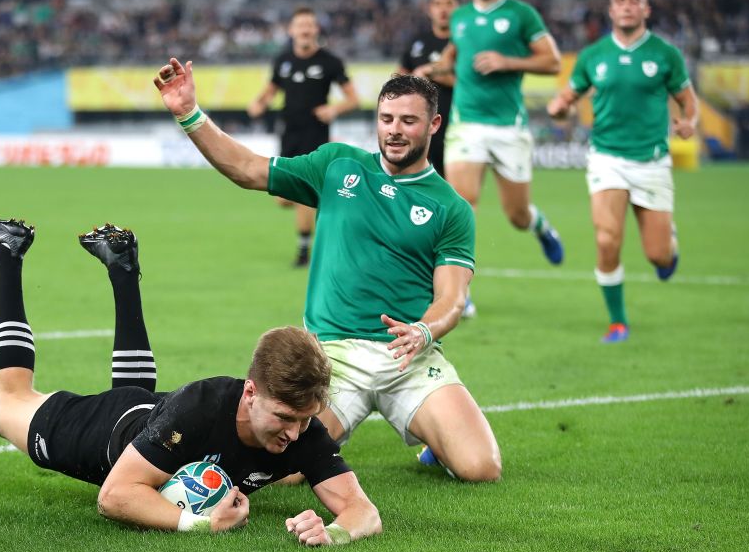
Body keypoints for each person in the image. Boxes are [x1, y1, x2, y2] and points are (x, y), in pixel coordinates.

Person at [155, 59, 501, 481]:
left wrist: (424, 332)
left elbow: (452, 298)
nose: (394, 129)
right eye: (386, 118)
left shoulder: (451, 207)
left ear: (433, 124)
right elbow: (248, 169)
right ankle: (428, 430)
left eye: (408, 121)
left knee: (481, 468)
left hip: (408, 356)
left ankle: (436, 438)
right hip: (332, 356)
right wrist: (189, 113)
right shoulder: (337, 164)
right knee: (285, 474)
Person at [0, 214, 381, 544]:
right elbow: (113, 497)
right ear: (251, 392)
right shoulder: (203, 405)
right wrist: (201, 525)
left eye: (304, 419)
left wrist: (332, 533)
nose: (294, 432)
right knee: (7, 405)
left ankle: (122, 266)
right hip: (102, 432)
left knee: (150, 420)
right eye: (284, 417)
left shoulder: (302, 427)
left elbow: (364, 512)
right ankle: (7, 250)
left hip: (150, 414)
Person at [546, 0, 697, 343]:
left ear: (646, 10)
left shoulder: (665, 54)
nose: (627, 5)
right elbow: (568, 96)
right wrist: (559, 106)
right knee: (607, 239)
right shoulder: (593, 56)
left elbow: (687, 98)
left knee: (659, 257)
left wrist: (689, 121)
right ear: (611, 10)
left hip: (652, 160)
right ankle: (617, 322)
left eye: (634, 0)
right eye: (621, 0)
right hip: (606, 158)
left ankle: (669, 245)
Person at [433, 0, 565, 316]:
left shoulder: (522, 14)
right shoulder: (460, 18)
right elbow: (451, 57)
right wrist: (433, 70)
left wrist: (507, 61)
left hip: (509, 127)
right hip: (467, 126)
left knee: (517, 214)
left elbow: (552, 61)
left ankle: (541, 227)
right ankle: (460, 292)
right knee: (461, 205)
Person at [247, 7, 360, 267]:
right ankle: (326, 203)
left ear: (316, 29)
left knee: (302, 192)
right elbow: (271, 89)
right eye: (300, 25)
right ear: (292, 30)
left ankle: (303, 250)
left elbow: (353, 99)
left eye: (310, 25)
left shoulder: (330, 62)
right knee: (284, 198)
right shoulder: (283, 61)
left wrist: (334, 109)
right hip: (289, 134)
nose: (305, 30)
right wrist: (259, 103)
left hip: (316, 135)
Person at [398, 0, 461, 177]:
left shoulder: (465, 41)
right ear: (429, 9)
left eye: (449, 4)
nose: (443, 9)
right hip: (423, 128)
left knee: (457, 191)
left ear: (459, 9)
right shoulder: (418, 42)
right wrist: (413, 78)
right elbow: (399, 79)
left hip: (458, 126)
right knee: (422, 187)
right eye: (437, 4)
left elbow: (471, 84)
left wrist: (433, 73)